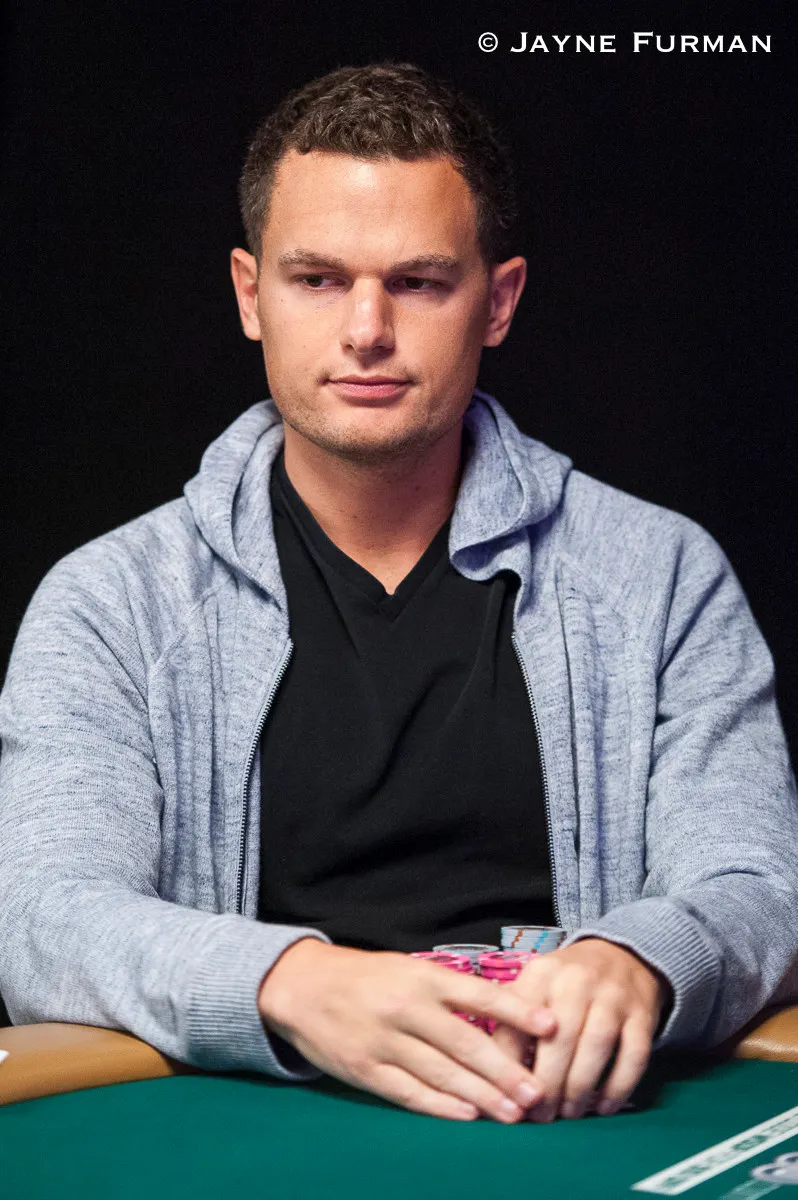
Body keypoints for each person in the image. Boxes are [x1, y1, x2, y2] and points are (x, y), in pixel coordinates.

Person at [0, 61, 796, 1127]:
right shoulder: (112, 603)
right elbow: (43, 921)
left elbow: (759, 886)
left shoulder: (659, 576)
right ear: (250, 295)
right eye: (318, 279)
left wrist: (641, 959)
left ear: (498, 302)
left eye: (419, 282)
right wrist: (298, 984)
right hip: (240, 1138)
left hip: (566, 1121)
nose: (367, 329)